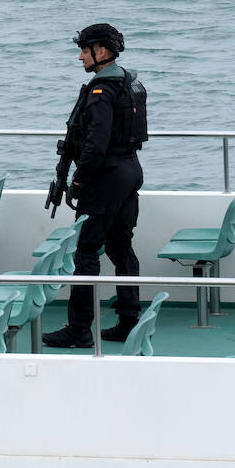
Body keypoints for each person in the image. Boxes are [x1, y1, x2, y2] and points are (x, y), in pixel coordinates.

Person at [42, 23, 147, 349]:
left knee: (86, 250)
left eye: (84, 51)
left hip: (105, 176)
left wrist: (78, 179)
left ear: (101, 51)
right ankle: (130, 320)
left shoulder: (101, 91)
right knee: (120, 247)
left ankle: (79, 328)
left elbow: (96, 144)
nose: (79, 58)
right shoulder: (129, 82)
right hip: (129, 170)